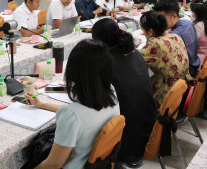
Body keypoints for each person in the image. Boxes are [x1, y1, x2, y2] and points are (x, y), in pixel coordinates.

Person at [24, 39, 119, 169]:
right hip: (99, 164)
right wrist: (42, 105)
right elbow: (79, 113)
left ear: (73, 71)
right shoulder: (110, 91)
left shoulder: (72, 116)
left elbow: (53, 165)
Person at [92, 18, 157, 167]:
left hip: (125, 142)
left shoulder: (105, 63)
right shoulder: (136, 53)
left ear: (99, 42)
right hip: (148, 130)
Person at [139, 11, 189, 108]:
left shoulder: (155, 43)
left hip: (165, 93)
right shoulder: (176, 36)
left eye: (142, 29)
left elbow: (137, 60)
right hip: (180, 89)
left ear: (150, 31)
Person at [153, 0, 200, 77]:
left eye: (161, 19)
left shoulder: (173, 35)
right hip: (195, 62)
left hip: (188, 70)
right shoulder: (187, 22)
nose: (159, 22)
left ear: (174, 16)